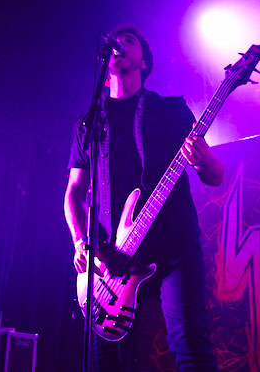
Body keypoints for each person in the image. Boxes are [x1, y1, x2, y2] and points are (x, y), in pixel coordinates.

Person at [64, 26, 224, 371]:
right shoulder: (88, 124)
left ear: (144, 63)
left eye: (130, 40)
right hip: (113, 260)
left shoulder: (170, 110)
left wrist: (203, 160)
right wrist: (80, 241)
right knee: (103, 361)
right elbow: (74, 192)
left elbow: (215, 175)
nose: (120, 43)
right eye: (116, 40)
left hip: (173, 249)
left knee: (190, 346)